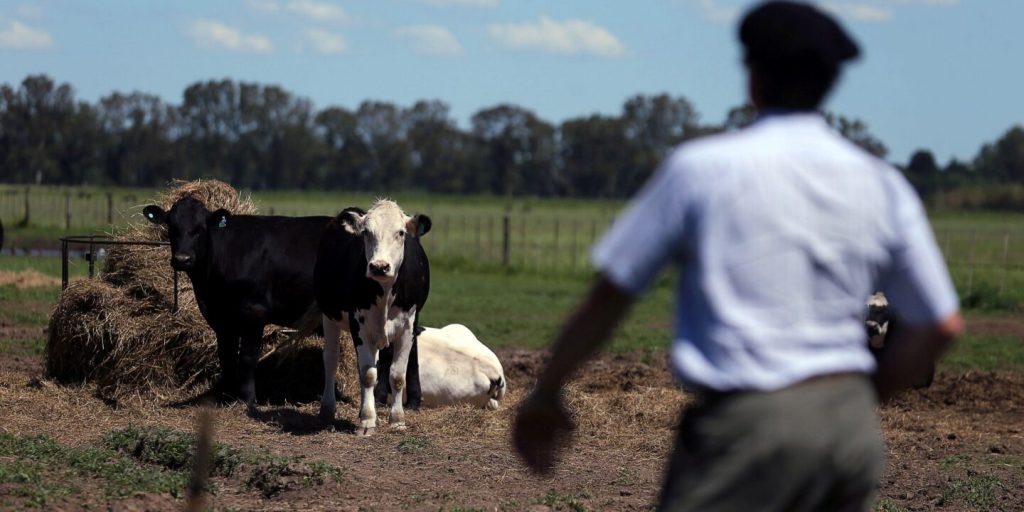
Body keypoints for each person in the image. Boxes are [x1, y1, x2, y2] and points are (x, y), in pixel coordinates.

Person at [512, 1, 963, 511]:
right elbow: (941, 323)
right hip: (849, 432)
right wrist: (864, 400)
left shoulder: (701, 170)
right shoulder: (882, 184)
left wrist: (547, 392)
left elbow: (610, 296)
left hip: (746, 425)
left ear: (753, 77)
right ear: (831, 83)